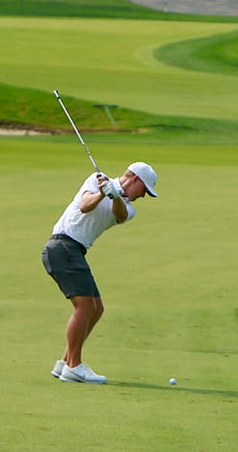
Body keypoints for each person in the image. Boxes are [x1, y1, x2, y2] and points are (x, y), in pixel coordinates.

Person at [41, 161, 160, 384]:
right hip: (62, 246)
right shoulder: (96, 180)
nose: (143, 196)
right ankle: (74, 366)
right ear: (135, 179)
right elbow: (85, 206)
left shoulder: (127, 207)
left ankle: (65, 362)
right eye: (144, 190)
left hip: (74, 251)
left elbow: (121, 215)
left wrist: (114, 195)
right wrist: (102, 193)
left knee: (96, 308)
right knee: (85, 306)